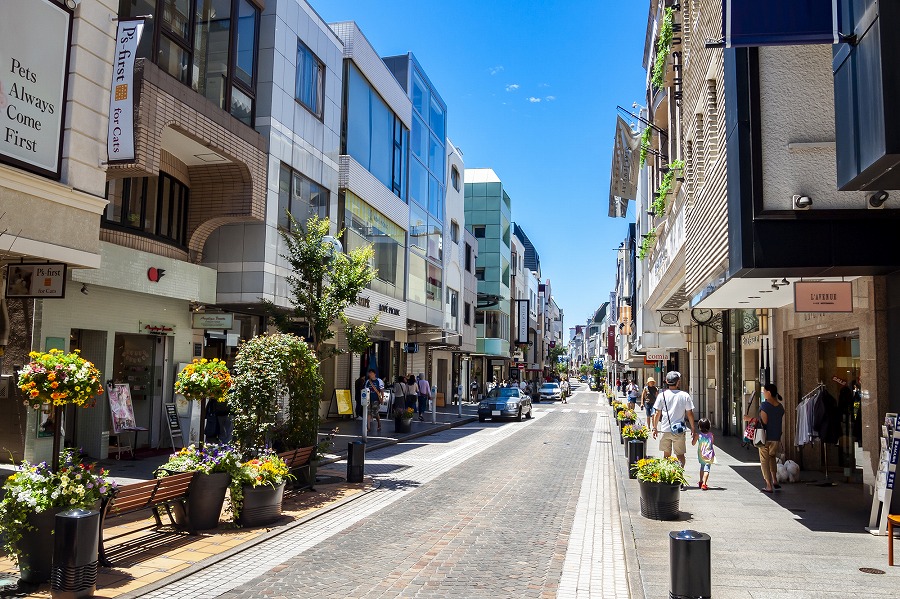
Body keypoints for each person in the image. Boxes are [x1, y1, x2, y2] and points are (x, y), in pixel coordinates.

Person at [651, 371, 697, 487]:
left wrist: (654, 428)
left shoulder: (662, 395)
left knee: (667, 455)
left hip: (665, 429)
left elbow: (657, 413)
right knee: (680, 455)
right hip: (679, 430)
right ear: (678, 382)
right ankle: (679, 477)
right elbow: (690, 414)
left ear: (667, 381)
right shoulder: (685, 395)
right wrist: (693, 428)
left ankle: (667, 477)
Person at [758, 383, 785, 493]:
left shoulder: (765, 406)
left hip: (766, 437)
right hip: (776, 437)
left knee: (764, 460)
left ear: (769, 392)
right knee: (772, 457)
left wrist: (750, 419)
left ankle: (768, 485)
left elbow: (764, 422)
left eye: (764, 391)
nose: (763, 393)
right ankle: (775, 480)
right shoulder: (780, 407)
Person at [692, 418, 715, 490]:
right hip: (709, 455)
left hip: (701, 454)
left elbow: (693, 443)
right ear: (709, 426)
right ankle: (704, 484)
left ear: (699, 426)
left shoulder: (698, 435)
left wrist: (694, 437)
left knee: (702, 467)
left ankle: (701, 481)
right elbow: (712, 443)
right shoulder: (711, 435)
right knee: (707, 469)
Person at [365, 369, 384, 433]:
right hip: (368, 399)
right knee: (369, 412)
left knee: (375, 412)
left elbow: (381, 390)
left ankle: (379, 423)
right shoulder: (368, 381)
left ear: (374, 374)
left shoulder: (379, 381)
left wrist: (382, 398)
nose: (370, 374)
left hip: (376, 399)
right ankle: (368, 427)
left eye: (371, 373)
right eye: (369, 373)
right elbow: (365, 390)